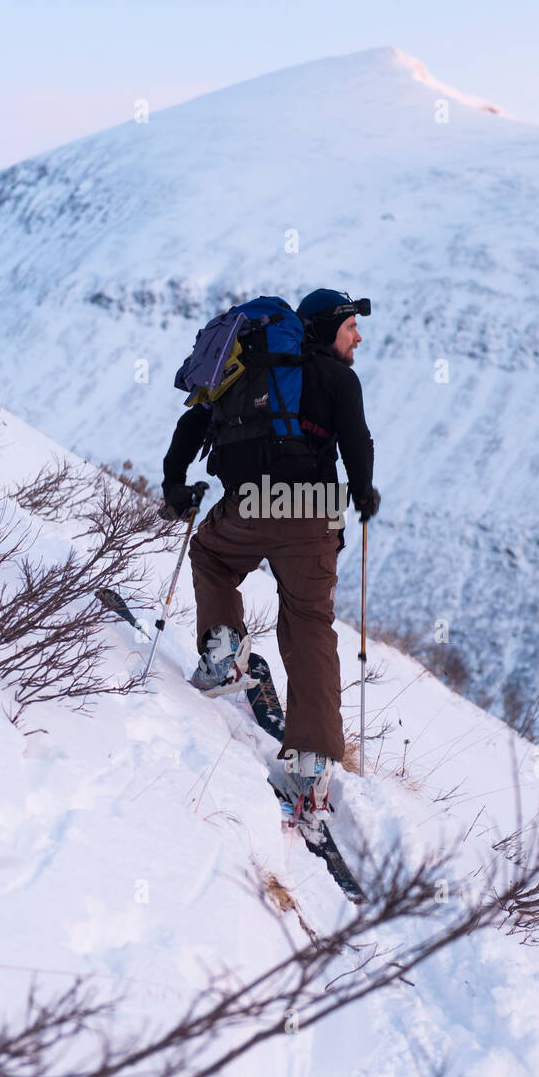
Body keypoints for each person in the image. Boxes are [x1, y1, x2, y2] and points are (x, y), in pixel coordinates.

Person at [160, 288, 380, 828]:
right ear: (328, 327)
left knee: (211, 556)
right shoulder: (336, 377)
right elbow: (357, 440)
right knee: (308, 624)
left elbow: (191, 424)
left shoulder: (250, 368)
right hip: (314, 512)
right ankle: (310, 766)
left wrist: (174, 485)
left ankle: (224, 648)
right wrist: (365, 492)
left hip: (251, 503)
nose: (358, 336)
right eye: (351, 326)